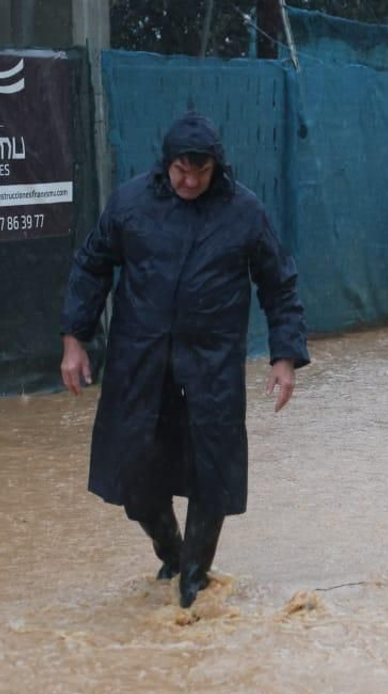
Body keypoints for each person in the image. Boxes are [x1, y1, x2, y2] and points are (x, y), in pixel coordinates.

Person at [59, 111, 309, 608]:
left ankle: (193, 584)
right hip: (139, 364)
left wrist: (285, 356)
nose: (190, 182)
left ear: (217, 167)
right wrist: (74, 338)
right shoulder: (131, 204)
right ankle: (172, 553)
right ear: (166, 164)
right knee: (134, 476)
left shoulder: (244, 212)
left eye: (201, 172)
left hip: (211, 368)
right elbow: (91, 265)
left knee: (209, 475)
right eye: (181, 171)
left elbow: (278, 282)